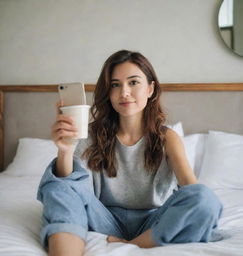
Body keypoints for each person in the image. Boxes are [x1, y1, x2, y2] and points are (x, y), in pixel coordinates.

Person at [37, 50, 223, 256]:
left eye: (133, 82)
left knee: (204, 197)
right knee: (58, 187)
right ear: (108, 92)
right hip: (103, 219)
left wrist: (193, 207)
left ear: (151, 89)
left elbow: (192, 190)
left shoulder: (168, 138)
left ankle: (134, 243)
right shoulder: (90, 135)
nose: (124, 92)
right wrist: (65, 151)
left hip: (155, 224)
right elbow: (72, 189)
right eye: (115, 85)